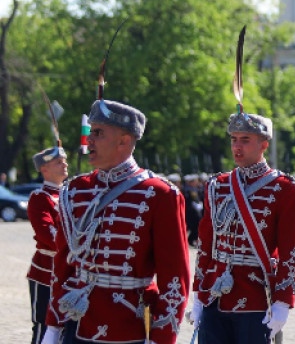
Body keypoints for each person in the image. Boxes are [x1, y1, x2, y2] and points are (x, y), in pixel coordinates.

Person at [43, 99, 191, 344]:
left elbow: (174, 277)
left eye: (98, 133)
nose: (89, 139)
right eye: (90, 131)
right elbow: (62, 266)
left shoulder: (160, 194)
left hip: (128, 326)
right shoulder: (76, 190)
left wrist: (162, 337)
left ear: (124, 140)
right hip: (77, 320)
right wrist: (52, 326)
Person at [188, 111, 295, 344]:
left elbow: (292, 249)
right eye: (233, 139)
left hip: (257, 297)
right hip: (215, 296)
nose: (237, 147)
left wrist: (283, 302)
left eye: (245, 140)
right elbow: (206, 244)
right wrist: (198, 295)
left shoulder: (285, 188)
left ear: (264, 144)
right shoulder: (217, 185)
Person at [27, 146, 68, 344]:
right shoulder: (39, 198)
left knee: (68, 327)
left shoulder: (70, 196)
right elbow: (47, 233)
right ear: (44, 169)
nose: (65, 165)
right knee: (43, 326)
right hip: (45, 273)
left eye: (65, 160)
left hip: (70, 273)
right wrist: (73, 247)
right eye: (59, 162)